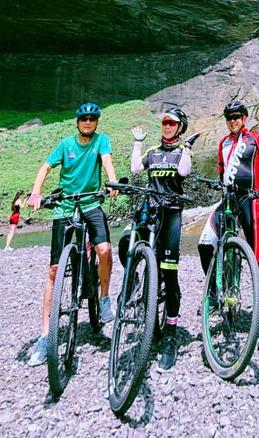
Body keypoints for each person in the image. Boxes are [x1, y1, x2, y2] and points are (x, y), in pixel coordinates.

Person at [26, 102, 118, 366]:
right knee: (54, 270)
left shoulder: (102, 140)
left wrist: (111, 182)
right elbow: (45, 167)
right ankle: (45, 337)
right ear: (77, 122)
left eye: (92, 119)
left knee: (104, 250)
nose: (88, 122)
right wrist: (36, 192)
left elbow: (107, 161)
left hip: (91, 203)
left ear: (96, 122)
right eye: (84, 119)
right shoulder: (66, 145)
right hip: (65, 206)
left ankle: (103, 298)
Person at [120, 106, 199, 372]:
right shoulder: (152, 152)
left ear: (180, 127)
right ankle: (134, 283)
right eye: (164, 122)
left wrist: (187, 148)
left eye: (171, 123)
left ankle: (171, 335)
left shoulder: (180, 153)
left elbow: (185, 172)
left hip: (172, 215)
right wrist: (136, 143)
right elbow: (134, 169)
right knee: (126, 242)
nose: (166, 126)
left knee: (169, 273)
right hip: (150, 211)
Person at [198, 100, 259, 350]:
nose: (233, 121)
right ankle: (215, 294)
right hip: (227, 201)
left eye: (237, 117)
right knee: (204, 244)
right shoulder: (222, 143)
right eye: (229, 117)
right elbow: (222, 172)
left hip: (249, 201)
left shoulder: (255, 140)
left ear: (244, 118)